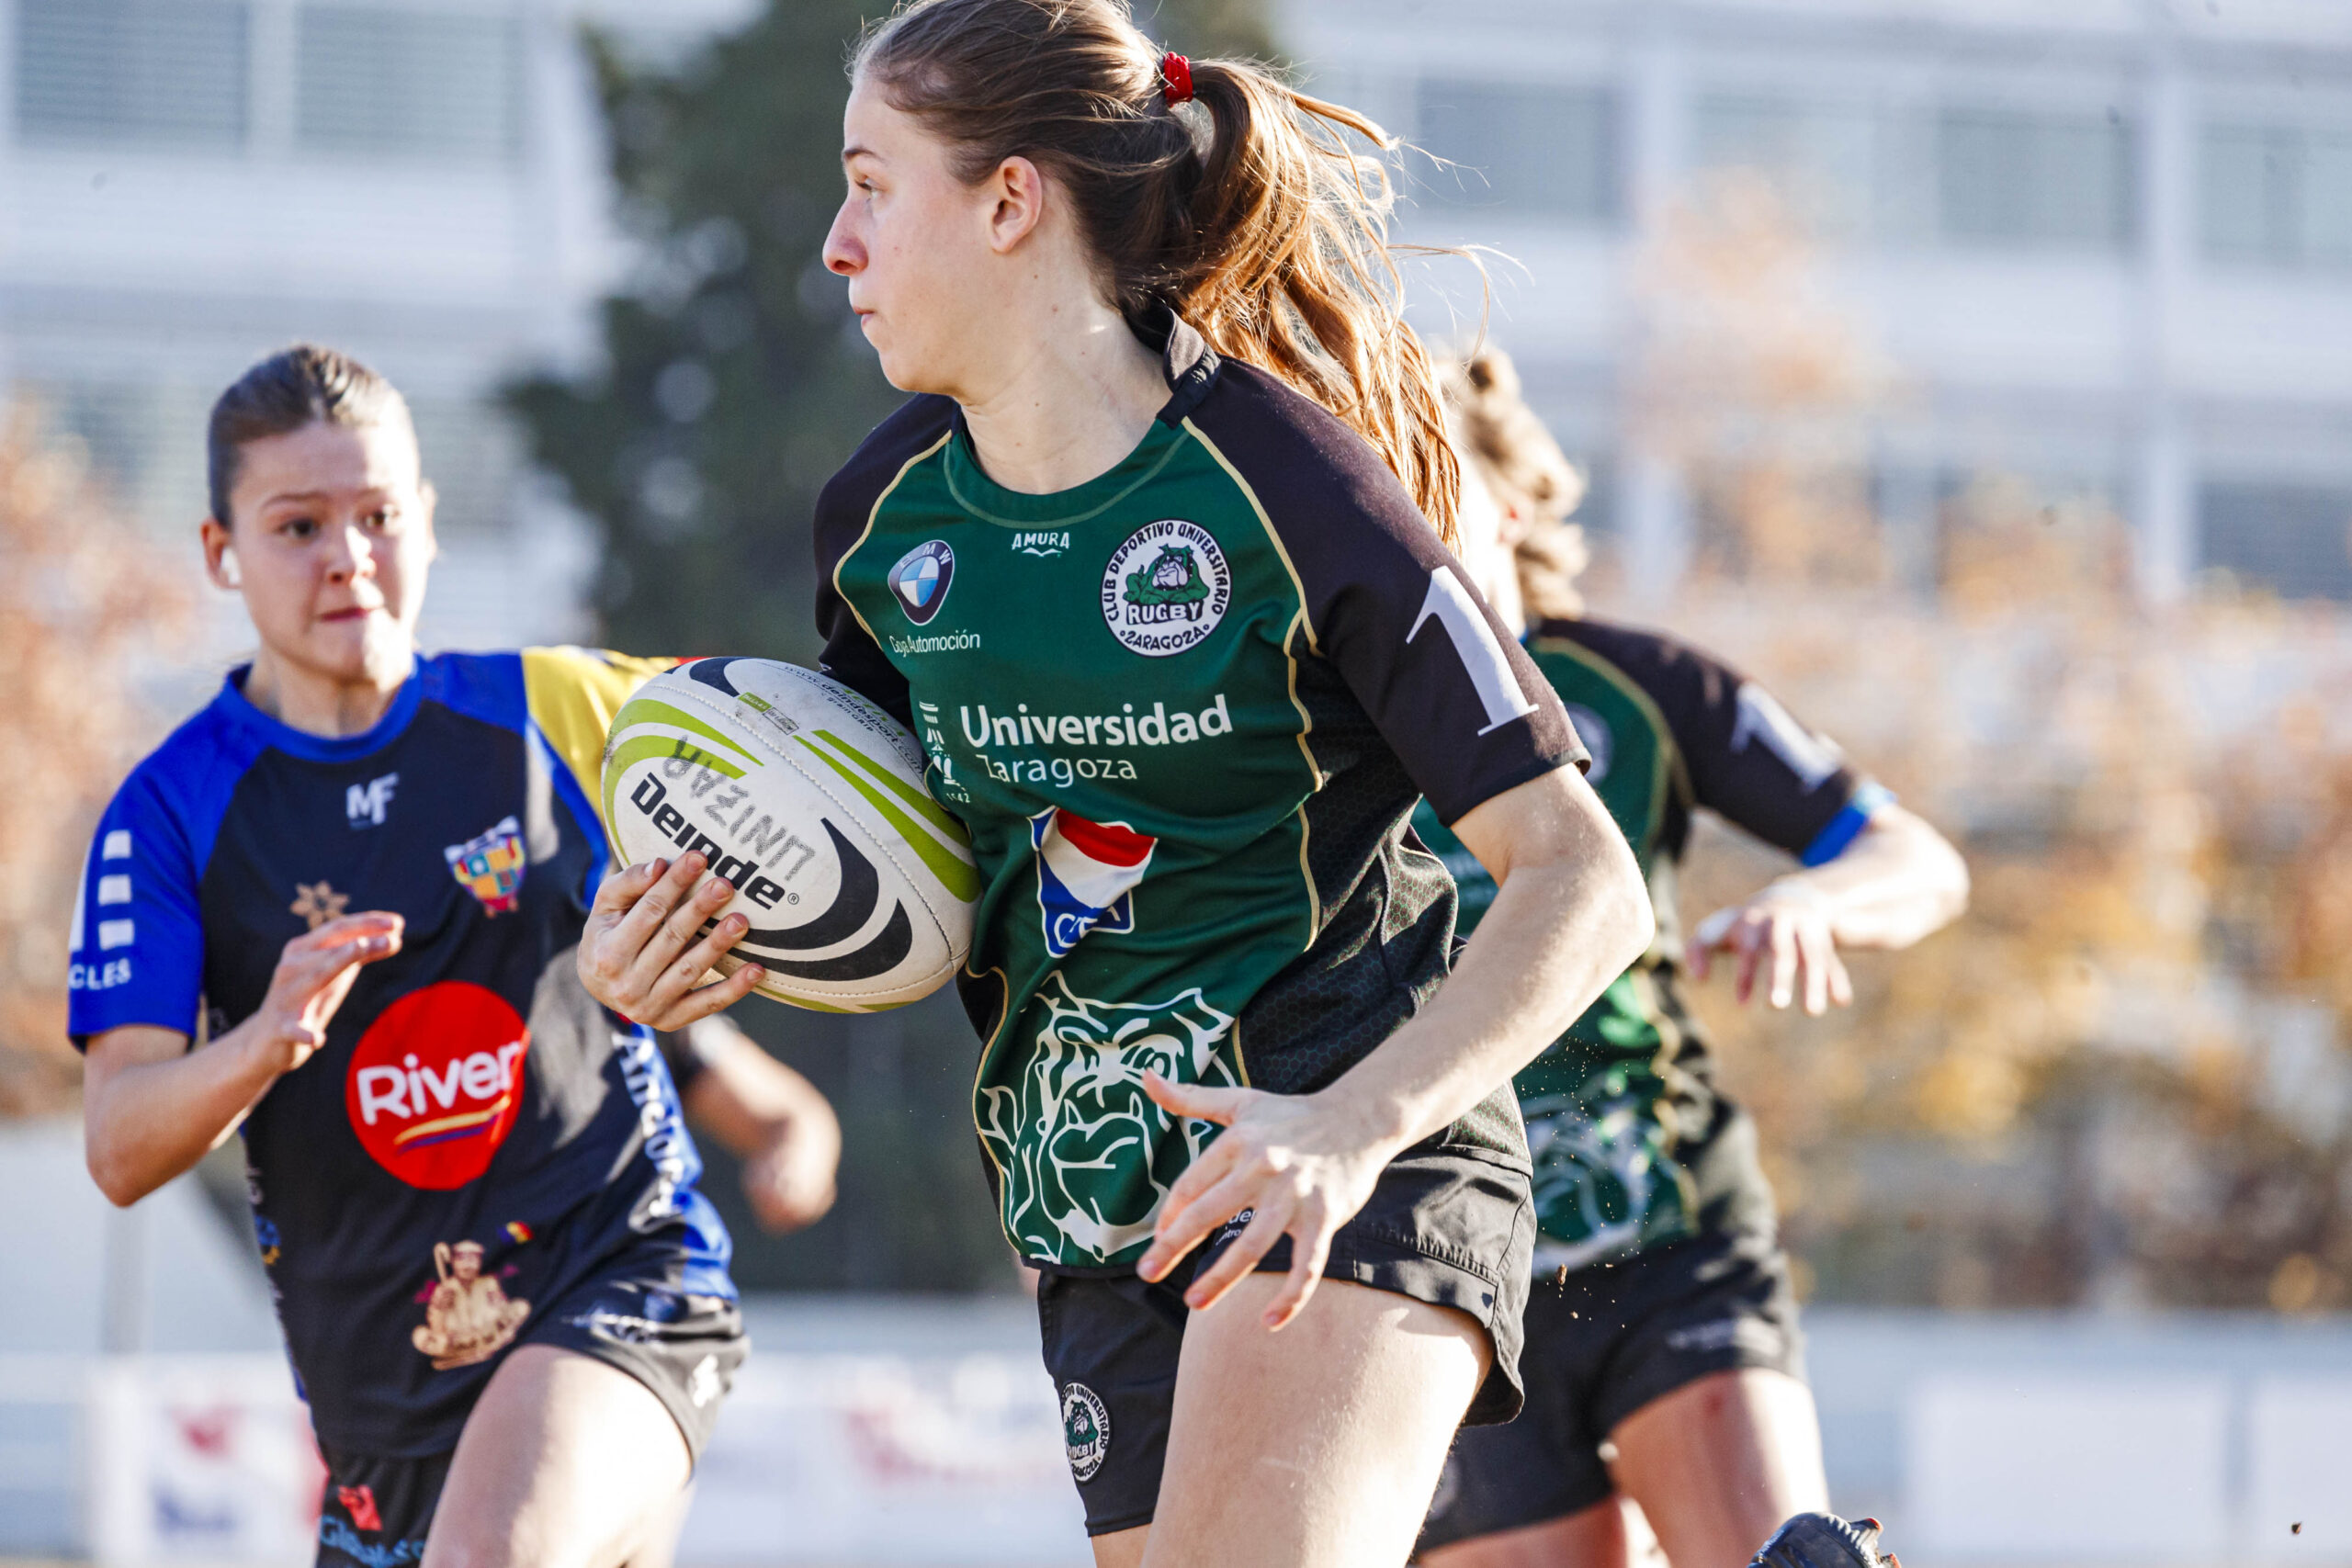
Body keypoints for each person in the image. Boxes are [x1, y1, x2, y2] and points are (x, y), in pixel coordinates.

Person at [570, 5, 1656, 1565]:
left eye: (873, 184)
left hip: (1342, 1151)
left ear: (1009, 202)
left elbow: (1583, 874)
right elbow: (896, 863)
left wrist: (1347, 1128)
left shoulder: (1293, 485)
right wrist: (677, 943)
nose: (835, 242)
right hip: (1092, 1202)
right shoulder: (882, 522)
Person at [71, 345, 832, 1568]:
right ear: (222, 554)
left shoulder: (554, 712)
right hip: (384, 1413)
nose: (347, 556)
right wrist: (262, 1043)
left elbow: (795, 737)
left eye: (377, 516)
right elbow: (117, 1146)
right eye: (299, 524)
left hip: (620, 1286)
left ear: (425, 522)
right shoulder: (170, 813)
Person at [1412, 348, 1969, 1568]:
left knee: (1788, 1558)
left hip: (1667, 1237)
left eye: (1422, 478)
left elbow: (1918, 860)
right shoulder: (1319, 718)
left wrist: (1819, 904)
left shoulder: (1635, 689)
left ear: (1503, 506)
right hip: (1449, 1271)